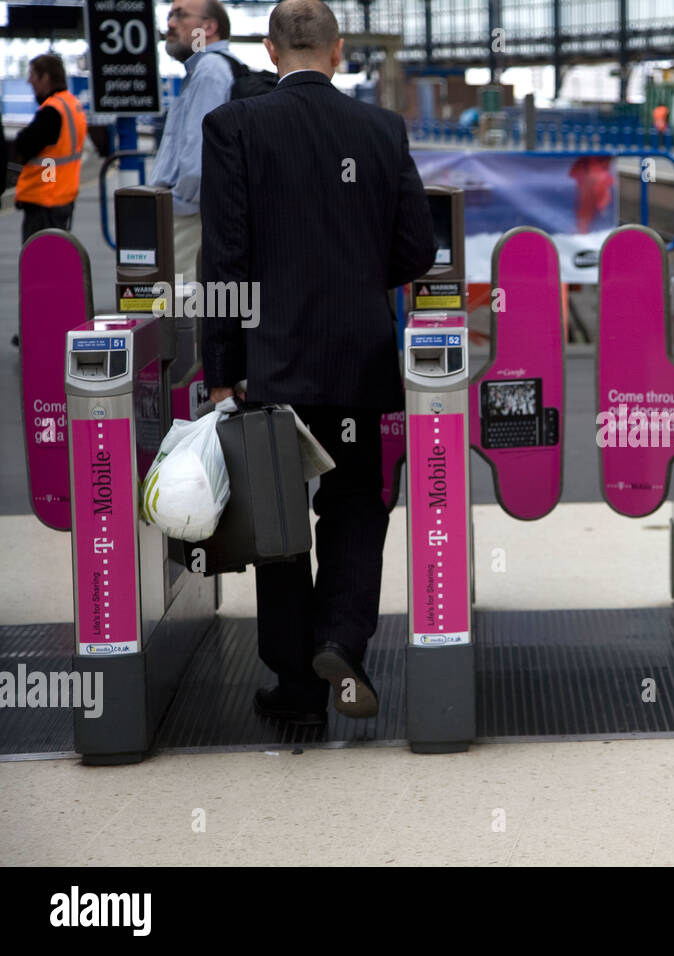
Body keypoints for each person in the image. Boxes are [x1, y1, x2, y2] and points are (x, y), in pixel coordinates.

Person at [201, 0, 436, 724]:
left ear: (271, 51)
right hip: (359, 361)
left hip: (271, 366)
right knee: (356, 505)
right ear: (338, 51)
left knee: (278, 523)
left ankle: (296, 688)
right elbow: (417, 250)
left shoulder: (234, 127)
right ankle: (343, 640)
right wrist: (362, 278)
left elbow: (226, 258)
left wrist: (221, 366)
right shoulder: (380, 128)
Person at [150, 0, 236, 282]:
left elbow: (198, 161)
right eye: (170, 15)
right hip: (189, 215)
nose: (170, 24)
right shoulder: (203, 71)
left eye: (180, 15)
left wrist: (177, 205)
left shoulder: (210, 71)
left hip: (189, 219)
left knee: (180, 312)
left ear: (209, 27)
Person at [12, 54, 86, 243]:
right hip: (62, 196)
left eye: (32, 75)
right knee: (54, 260)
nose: (29, 81)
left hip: (45, 199)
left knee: (40, 263)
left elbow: (24, 145)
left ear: (45, 78)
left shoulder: (52, 111)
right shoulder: (72, 105)